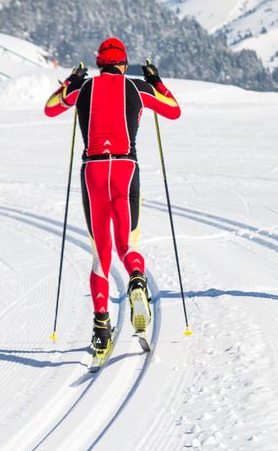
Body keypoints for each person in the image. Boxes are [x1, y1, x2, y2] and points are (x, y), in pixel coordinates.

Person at [46, 37, 181, 356]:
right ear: (123, 63)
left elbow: (51, 108)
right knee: (126, 245)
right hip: (125, 168)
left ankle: (101, 327)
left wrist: (70, 81)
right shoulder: (136, 87)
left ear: (98, 64)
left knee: (100, 255)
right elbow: (173, 111)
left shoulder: (83, 89)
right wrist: (156, 81)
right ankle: (136, 278)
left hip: (93, 171)